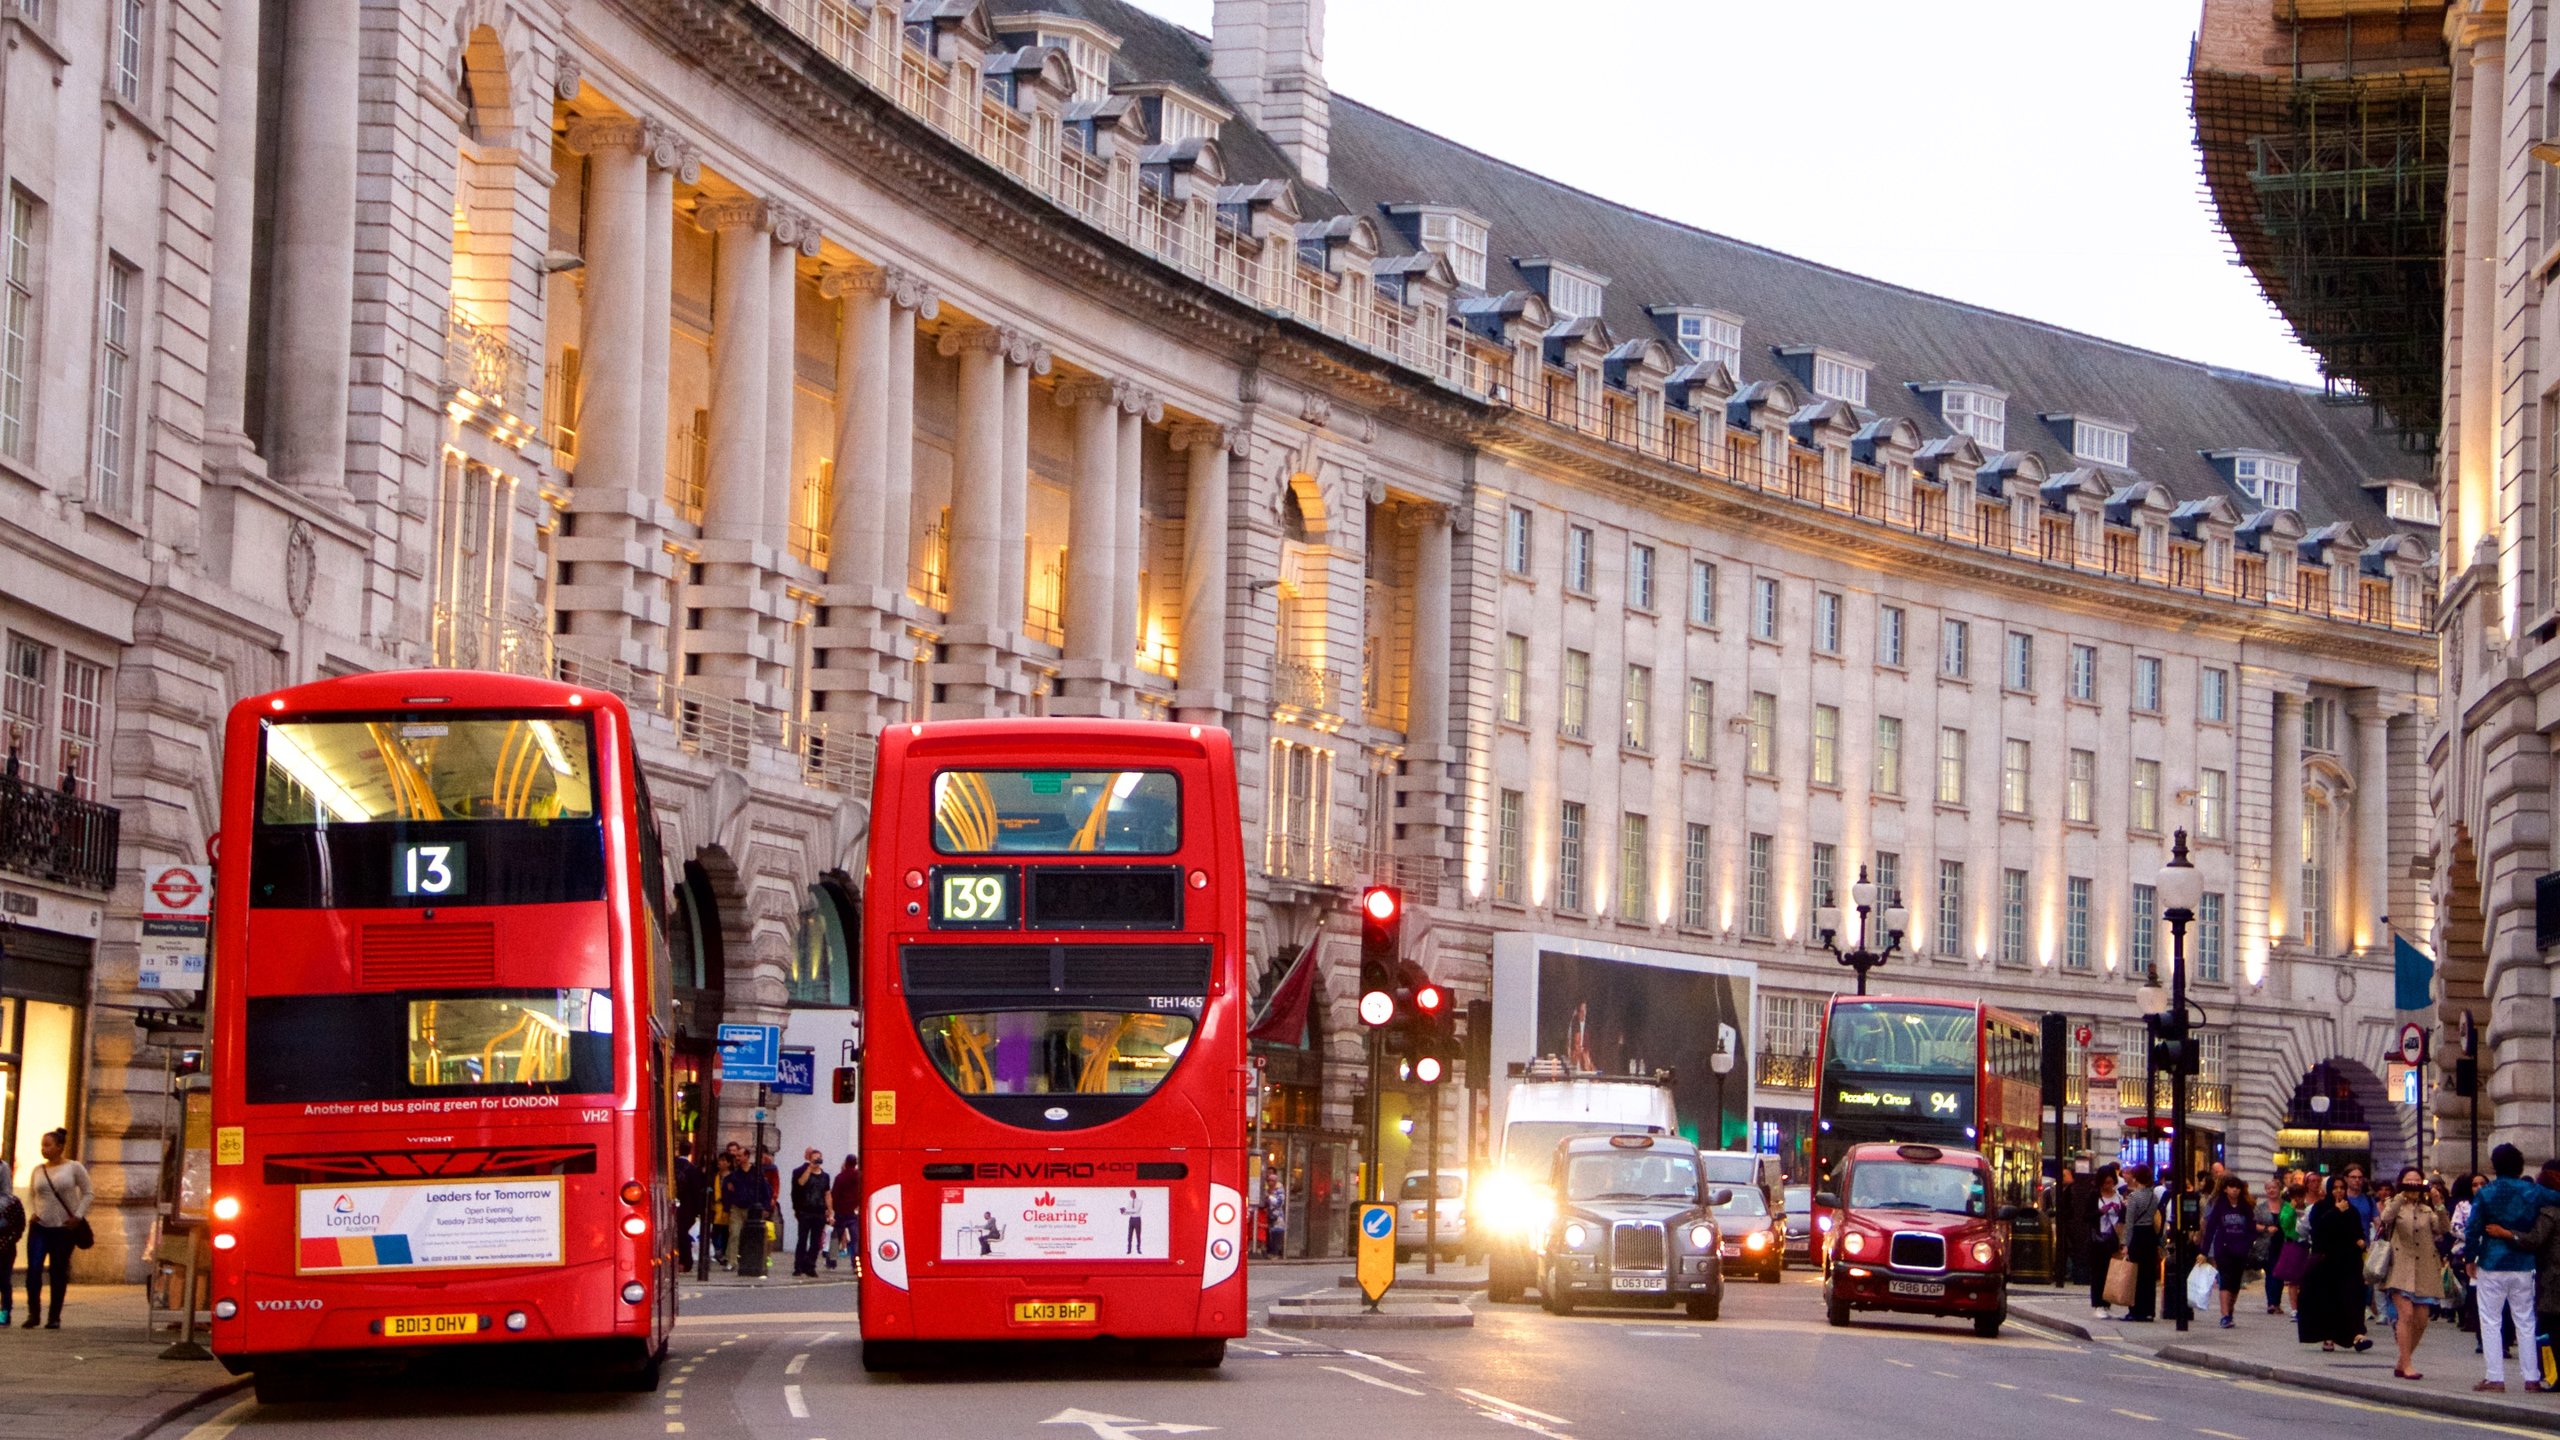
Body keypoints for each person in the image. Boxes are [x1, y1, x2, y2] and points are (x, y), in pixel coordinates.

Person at [2464, 1142, 2554, 1391]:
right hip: (2523, 1261)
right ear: (2520, 1164)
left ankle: (2495, 1377)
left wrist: (2470, 1257)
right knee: (2525, 1320)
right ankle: (2532, 1377)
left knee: (2491, 1319)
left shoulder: (2486, 1193)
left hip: (2492, 1260)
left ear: (2494, 1166)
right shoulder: (2532, 1191)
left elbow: (2472, 1228)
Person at [2375, 1165, 2450, 1382]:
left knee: (2421, 1320)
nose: (2414, 1185)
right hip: (2400, 1266)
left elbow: (2443, 1229)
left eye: (2417, 1181)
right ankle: (2407, 1364)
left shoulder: (2427, 1210)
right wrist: (2400, 1196)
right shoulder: (2394, 1204)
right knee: (2405, 1316)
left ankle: (2402, 1360)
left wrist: (2439, 1204)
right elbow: (2386, 1218)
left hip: (2425, 1267)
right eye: (2409, 1181)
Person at [23, 1128, 89, 1329]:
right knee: (33, 1270)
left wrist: (78, 1216)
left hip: (63, 1228)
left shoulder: (73, 1167)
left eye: (48, 1145)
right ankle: (33, 1314)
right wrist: (33, 1212)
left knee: (58, 1271)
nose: (44, 1149)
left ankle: (54, 1316)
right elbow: (32, 1195)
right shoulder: (38, 1170)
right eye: (42, 1145)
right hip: (40, 1227)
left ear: (60, 1147)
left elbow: (88, 1192)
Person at [2298, 1173, 2370, 1353]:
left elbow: (2357, 1231)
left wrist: (2361, 1240)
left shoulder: (2351, 1210)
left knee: (2352, 1297)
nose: (2339, 1191)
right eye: (2335, 1188)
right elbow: (2318, 1230)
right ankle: (2328, 1336)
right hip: (2328, 1262)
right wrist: (2335, 1212)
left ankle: (2357, 1335)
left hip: (2350, 1261)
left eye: (2341, 1188)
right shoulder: (2320, 1208)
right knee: (2329, 1300)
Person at [2197, 1176, 2256, 1328]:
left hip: (2240, 1249)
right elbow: (2210, 1229)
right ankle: (2224, 1316)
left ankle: (2230, 1311)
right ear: (2225, 1189)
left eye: (2237, 1187)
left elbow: (2251, 1229)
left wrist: (2248, 1244)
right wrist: (2204, 1251)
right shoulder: (2220, 1206)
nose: (2235, 1190)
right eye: (2231, 1187)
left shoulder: (2245, 1207)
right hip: (2223, 1248)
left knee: (2235, 1283)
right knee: (2225, 1281)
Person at [2120, 1165, 2160, 1323]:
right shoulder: (2153, 1196)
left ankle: (2135, 1310)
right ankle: (2149, 1310)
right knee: (2148, 1275)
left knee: (2134, 1274)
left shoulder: (2134, 1197)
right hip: (2150, 1235)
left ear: (2136, 1178)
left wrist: (2125, 1244)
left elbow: (2129, 1223)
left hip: (2137, 1235)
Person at [790, 1147, 831, 1278]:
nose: (817, 1161)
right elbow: (801, 1183)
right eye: (814, 1159)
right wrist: (809, 1168)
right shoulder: (804, 1172)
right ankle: (798, 1266)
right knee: (802, 1240)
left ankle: (810, 1265)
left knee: (816, 1242)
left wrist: (830, 1210)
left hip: (819, 1212)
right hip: (805, 1211)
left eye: (819, 1159)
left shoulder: (825, 1176)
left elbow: (827, 1194)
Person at [2090, 1166, 2124, 1317]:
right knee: (2098, 1272)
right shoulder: (2094, 1196)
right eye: (2105, 1183)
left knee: (2111, 1273)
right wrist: (2100, 1212)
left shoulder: (2118, 1195)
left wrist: (2120, 1210)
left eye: (2111, 1182)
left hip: (2113, 1238)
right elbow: (2086, 1216)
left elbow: (2124, 1217)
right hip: (2098, 1239)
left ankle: (2107, 1304)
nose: (2108, 1185)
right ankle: (2098, 1304)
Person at [2254, 1177, 2287, 1315]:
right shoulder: (2260, 1208)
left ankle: (2277, 1302)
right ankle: (2271, 1303)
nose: (2271, 1190)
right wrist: (2266, 1229)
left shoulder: (2286, 1206)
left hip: (2283, 1243)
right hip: (2267, 1244)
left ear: (2279, 1189)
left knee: (2279, 1274)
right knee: (2270, 1273)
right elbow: (2253, 1224)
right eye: (2268, 1188)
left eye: (2274, 1188)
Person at [2055, 1164, 2091, 1288]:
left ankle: (2073, 1274)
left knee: (2073, 1250)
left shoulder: (2071, 1190)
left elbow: (2066, 1208)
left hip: (2073, 1225)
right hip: (2075, 1225)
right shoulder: (2068, 1190)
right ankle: (2074, 1274)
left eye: (2065, 1175)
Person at [674, 1149, 707, 1270]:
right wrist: (698, 1210)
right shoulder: (690, 1168)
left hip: (683, 1207)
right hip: (688, 1208)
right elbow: (697, 1191)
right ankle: (685, 1261)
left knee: (680, 1234)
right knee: (683, 1234)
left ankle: (684, 1261)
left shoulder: (675, 1167)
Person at [829, 1154, 862, 1272]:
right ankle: (856, 1264)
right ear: (855, 1163)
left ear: (846, 1163)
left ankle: (831, 1261)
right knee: (855, 1240)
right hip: (854, 1212)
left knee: (836, 1237)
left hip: (841, 1211)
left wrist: (833, 1209)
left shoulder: (840, 1177)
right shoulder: (859, 1176)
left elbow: (834, 1195)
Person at [0, 1155, 17, 1326]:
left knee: (3, 1278)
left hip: (3, 1241)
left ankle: (4, 1313)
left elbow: (7, 1196)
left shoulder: (2, 1167)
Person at [1264, 1172, 1288, 1260]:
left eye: (1272, 1181)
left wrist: (1269, 1197)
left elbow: (1279, 1203)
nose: (1270, 1183)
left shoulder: (1279, 1191)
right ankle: (1270, 1252)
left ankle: (1276, 1253)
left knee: (1277, 1235)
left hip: (1278, 1217)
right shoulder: (1266, 1190)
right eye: (1269, 1181)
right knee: (1270, 1235)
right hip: (1268, 1215)